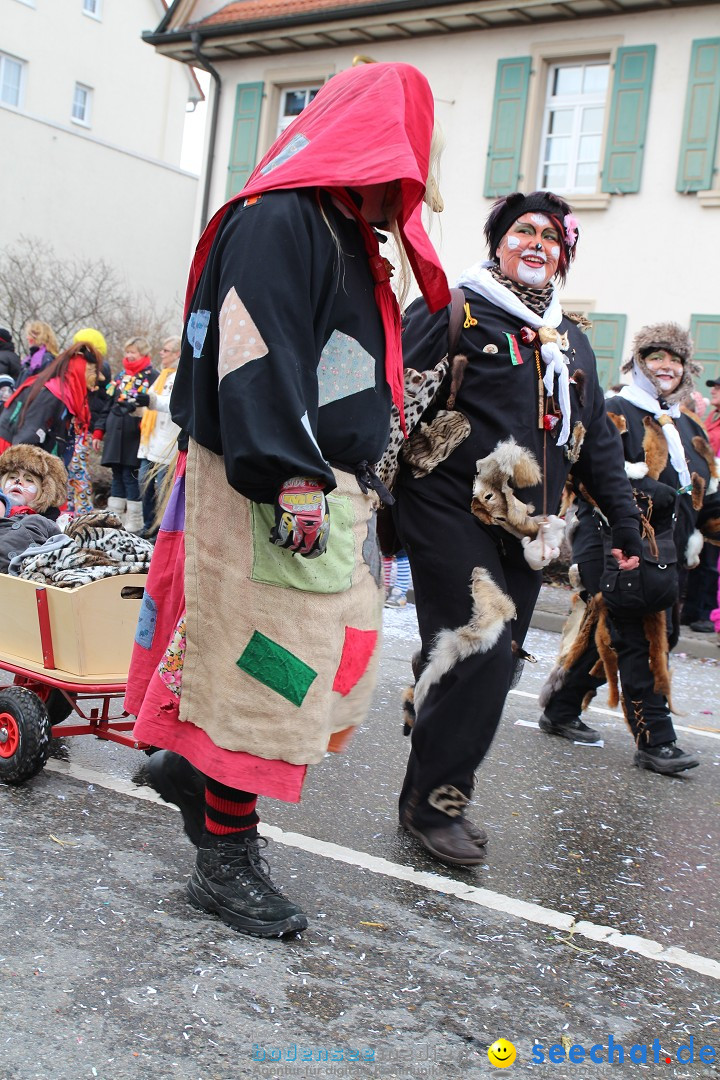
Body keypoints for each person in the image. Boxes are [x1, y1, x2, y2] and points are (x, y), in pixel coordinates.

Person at [124, 61, 449, 938]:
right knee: (265, 675)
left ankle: (196, 779)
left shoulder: (340, 230)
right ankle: (224, 860)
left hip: (321, 497)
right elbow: (249, 349)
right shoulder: (280, 221)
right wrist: (291, 478)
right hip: (272, 489)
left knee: (310, 674)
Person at [392, 190, 643, 867]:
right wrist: (360, 491)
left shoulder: (573, 340)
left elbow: (594, 449)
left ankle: (427, 785)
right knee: (485, 641)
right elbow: (400, 398)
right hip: (444, 502)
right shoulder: (455, 306)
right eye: (521, 231)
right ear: (498, 242)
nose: (536, 243)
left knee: (491, 662)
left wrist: (626, 525)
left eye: (550, 238)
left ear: (563, 258)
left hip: (528, 529)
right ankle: (437, 802)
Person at [539, 322, 720, 774]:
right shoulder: (614, 410)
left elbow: (708, 496)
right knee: (640, 636)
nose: (666, 367)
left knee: (618, 630)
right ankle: (656, 741)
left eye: (675, 360)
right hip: (611, 542)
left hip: (669, 552)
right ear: (638, 363)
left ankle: (561, 707)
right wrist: (639, 498)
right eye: (656, 357)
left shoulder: (690, 426)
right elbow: (584, 474)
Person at [0, 340, 102, 465]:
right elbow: (28, 434)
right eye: (91, 371)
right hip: (13, 454)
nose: (96, 378)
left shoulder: (65, 393)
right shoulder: (53, 393)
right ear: (79, 371)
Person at [95, 337, 156, 533]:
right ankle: (115, 517)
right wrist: (99, 430)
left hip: (134, 434)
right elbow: (108, 404)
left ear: (143, 354)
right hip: (115, 432)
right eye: (127, 352)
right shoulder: (120, 376)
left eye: (133, 352)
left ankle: (134, 519)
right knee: (117, 475)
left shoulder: (152, 376)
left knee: (131, 476)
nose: (129, 355)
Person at [135, 335, 182, 538]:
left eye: (166, 350)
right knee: (143, 485)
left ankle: (160, 529)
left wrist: (150, 399)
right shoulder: (162, 376)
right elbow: (149, 406)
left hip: (166, 445)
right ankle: (148, 525)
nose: (161, 353)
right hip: (150, 442)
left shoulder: (180, 375)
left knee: (163, 491)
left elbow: (173, 403)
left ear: (178, 353)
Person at [62, 328, 111, 515]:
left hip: (84, 425)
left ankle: (81, 510)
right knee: (71, 468)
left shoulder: (96, 367)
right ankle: (70, 508)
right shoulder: (83, 365)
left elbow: (105, 399)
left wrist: (97, 428)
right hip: (81, 424)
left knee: (77, 468)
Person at [0, 444, 66, 573]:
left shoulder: (52, 524)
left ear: (45, 491)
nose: (18, 481)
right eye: (12, 477)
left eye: (29, 479)